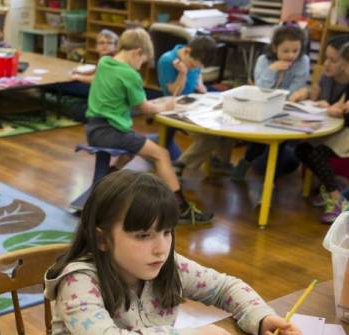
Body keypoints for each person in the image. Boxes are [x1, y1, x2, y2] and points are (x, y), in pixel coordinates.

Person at [44, 170, 303, 335]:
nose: (160, 248)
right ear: (102, 239)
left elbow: (225, 287)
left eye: (167, 232)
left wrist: (261, 318)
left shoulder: (165, 264)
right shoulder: (78, 282)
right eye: (143, 236)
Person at [85, 28, 213, 224]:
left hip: (94, 127)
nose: (140, 66)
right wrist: (166, 106)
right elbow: (146, 108)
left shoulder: (104, 62)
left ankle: (105, 188)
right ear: (137, 52)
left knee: (131, 150)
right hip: (109, 131)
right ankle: (181, 209)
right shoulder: (130, 75)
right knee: (161, 154)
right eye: (142, 61)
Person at [232, 25, 311, 188]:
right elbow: (260, 87)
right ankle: (246, 164)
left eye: (295, 50)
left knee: (280, 143)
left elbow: (295, 90)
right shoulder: (263, 61)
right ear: (275, 48)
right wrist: (272, 69)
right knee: (260, 142)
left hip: (285, 109)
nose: (291, 55)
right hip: (262, 108)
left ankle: (270, 180)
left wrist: (292, 96)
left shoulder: (303, 61)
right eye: (286, 51)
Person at [156, 36, 234, 179]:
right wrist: (183, 72)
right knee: (209, 138)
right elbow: (174, 93)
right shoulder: (167, 60)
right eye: (193, 66)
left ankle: (219, 162)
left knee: (229, 126)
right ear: (187, 52)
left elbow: (199, 79)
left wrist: (202, 86)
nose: (195, 69)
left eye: (198, 67)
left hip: (196, 104)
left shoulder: (195, 58)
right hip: (175, 106)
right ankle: (179, 166)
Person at [295, 36, 349, 223]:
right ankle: (334, 186)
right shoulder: (327, 77)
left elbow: (342, 110)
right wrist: (308, 95)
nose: (326, 64)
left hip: (345, 134)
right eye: (325, 58)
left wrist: (336, 110)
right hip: (333, 129)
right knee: (302, 149)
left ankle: (337, 200)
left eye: (333, 60)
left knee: (317, 154)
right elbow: (329, 102)